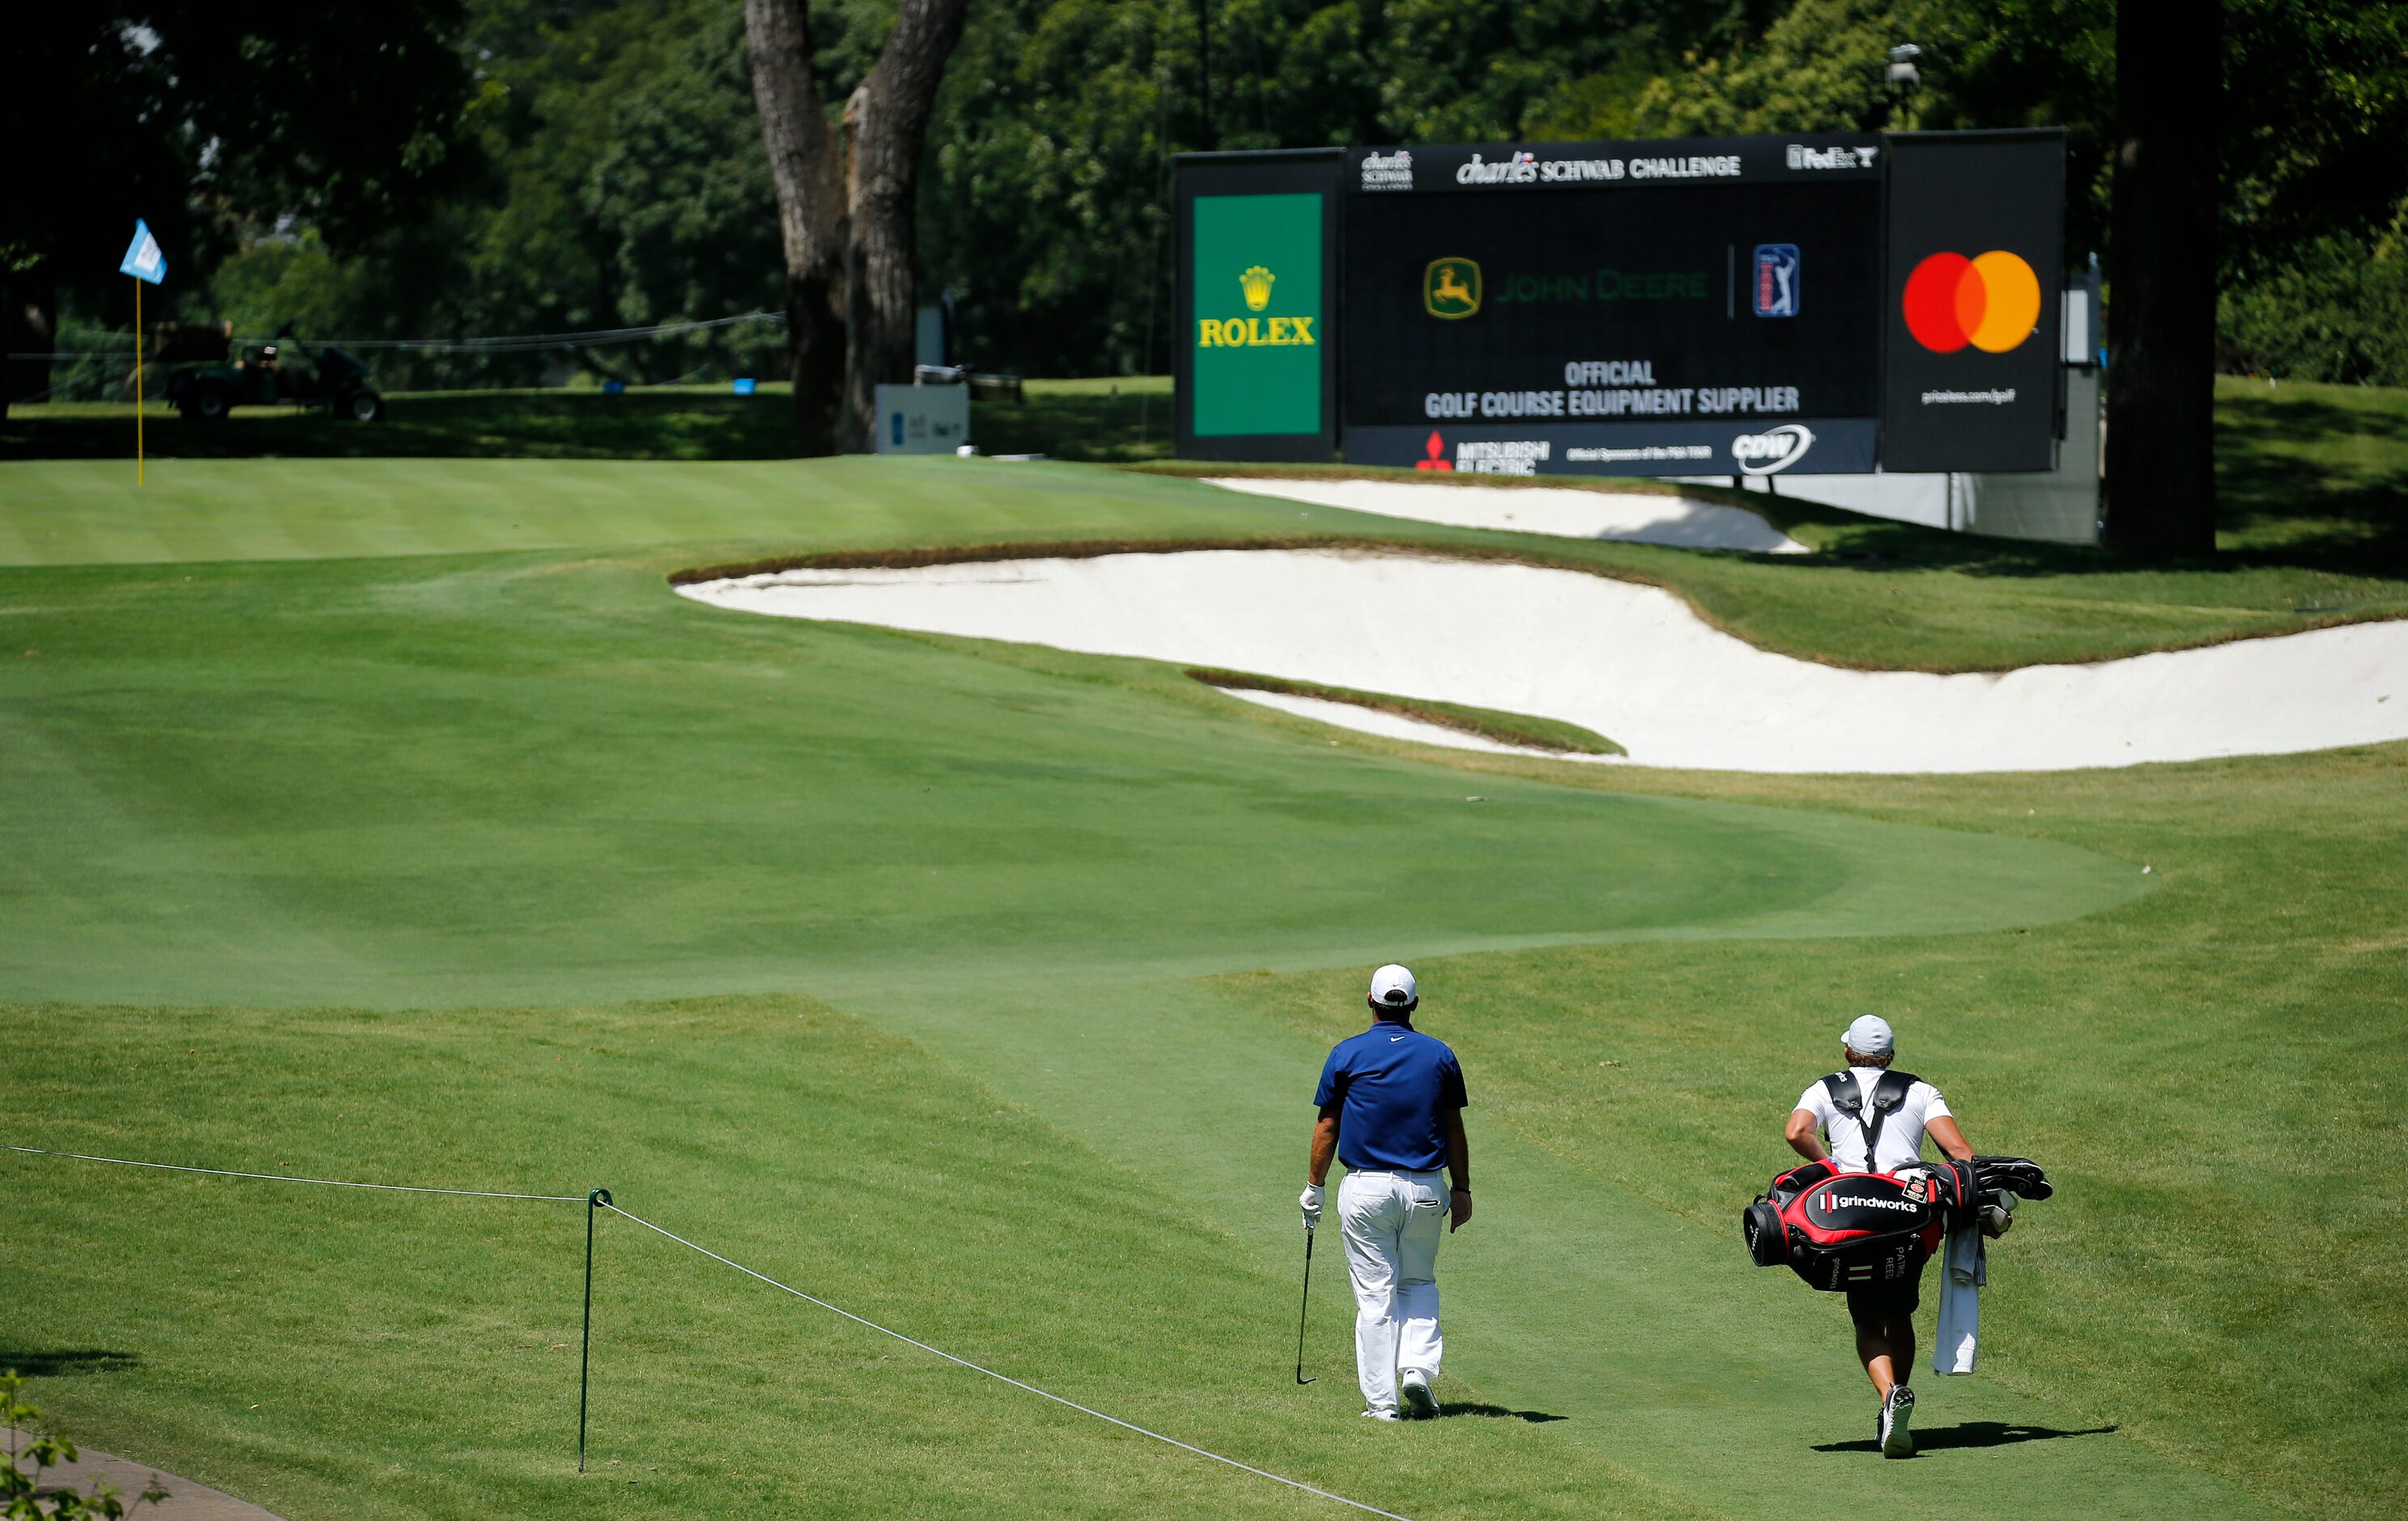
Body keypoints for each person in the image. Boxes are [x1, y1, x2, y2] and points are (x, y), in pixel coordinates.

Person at [1784, 1015, 1972, 1459]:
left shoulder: (1824, 1088)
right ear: (1890, 1055)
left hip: (1851, 1215)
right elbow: (1960, 1152)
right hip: (1910, 1216)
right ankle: (1896, 1399)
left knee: (1868, 1319)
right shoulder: (1922, 1091)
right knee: (1900, 1313)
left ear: (1848, 1051)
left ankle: (1889, 1399)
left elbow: (1796, 1132)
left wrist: (1830, 1165)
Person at [1300, 964, 1472, 1421]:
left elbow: (1328, 1125)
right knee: (1418, 1282)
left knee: (1376, 1296)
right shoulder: (1439, 1055)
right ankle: (1416, 1368)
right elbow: (1453, 1127)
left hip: (1366, 1190)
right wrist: (1463, 1189)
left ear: (1371, 1001)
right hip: (1427, 1190)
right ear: (1413, 1004)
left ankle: (1382, 1405)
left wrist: (1314, 1187)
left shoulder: (1347, 1054)